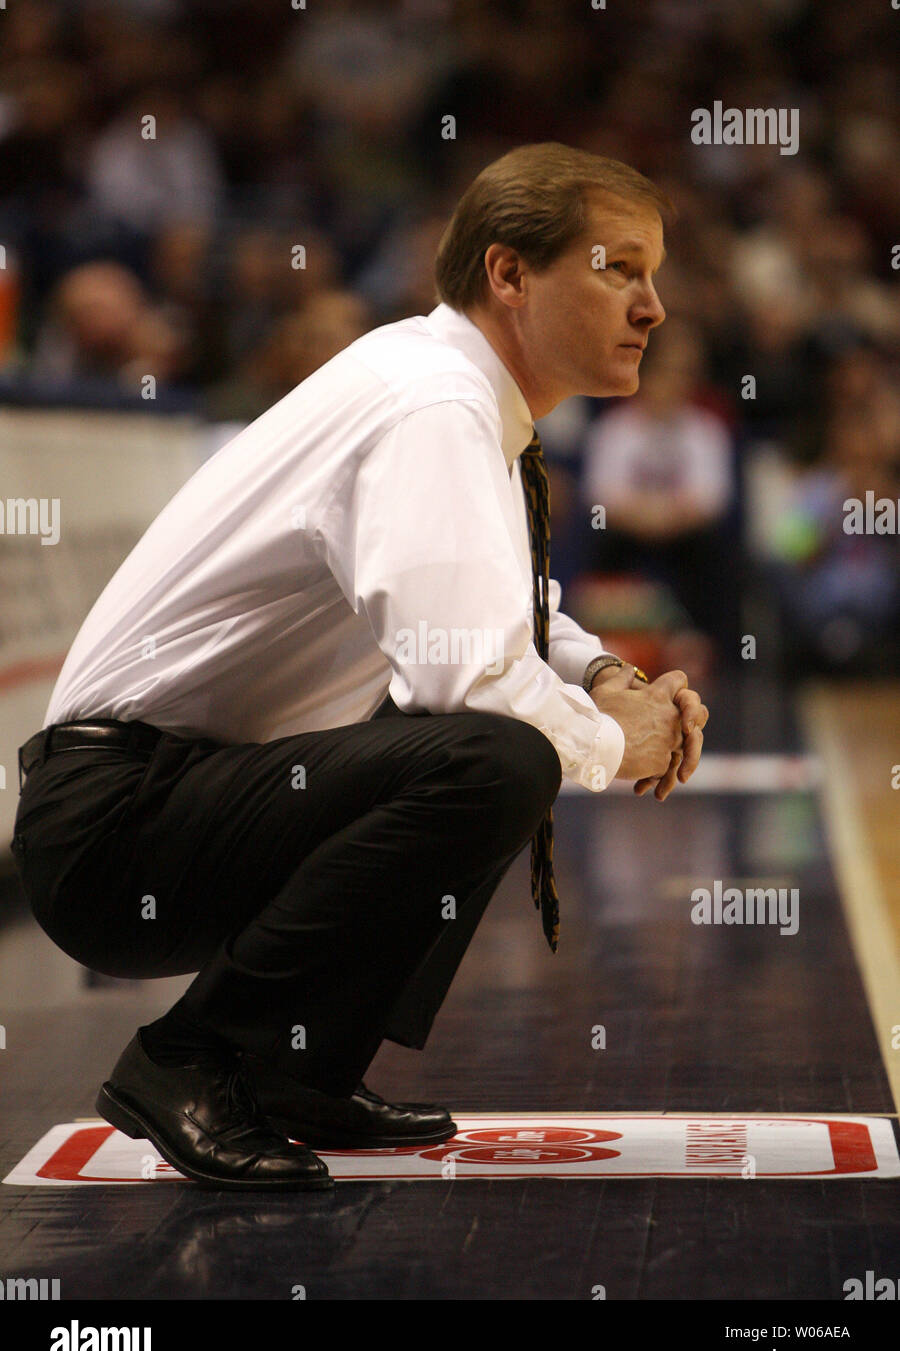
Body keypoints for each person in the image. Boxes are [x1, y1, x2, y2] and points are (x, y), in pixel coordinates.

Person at [12, 142, 708, 1192]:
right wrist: (620, 742)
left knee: (491, 742)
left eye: (655, 274)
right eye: (621, 268)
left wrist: (609, 677)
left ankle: (294, 1071)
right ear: (509, 275)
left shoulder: (447, 390)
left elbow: (507, 612)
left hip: (171, 794)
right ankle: (192, 1058)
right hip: (115, 824)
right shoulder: (433, 405)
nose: (653, 306)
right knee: (492, 756)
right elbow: (470, 682)